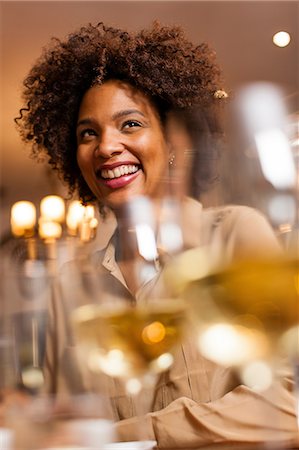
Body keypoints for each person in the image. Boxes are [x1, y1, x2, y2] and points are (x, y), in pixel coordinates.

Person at [13, 21, 297, 449]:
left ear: (173, 143)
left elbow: (291, 401)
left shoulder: (234, 233)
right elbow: (67, 427)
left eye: (129, 124)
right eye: (87, 133)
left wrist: (142, 432)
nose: (106, 147)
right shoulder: (70, 282)